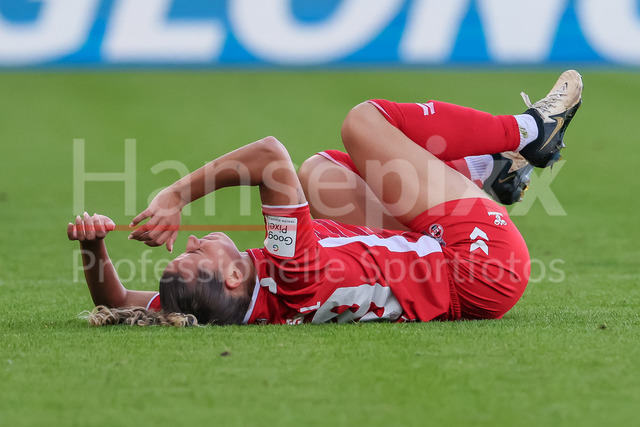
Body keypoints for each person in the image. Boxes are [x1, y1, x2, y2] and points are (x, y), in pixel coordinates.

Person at [69, 70, 583, 326]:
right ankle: (530, 131)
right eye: (197, 254)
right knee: (365, 122)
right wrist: (176, 195)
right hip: (481, 263)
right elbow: (268, 156)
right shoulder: (290, 268)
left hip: (453, 273)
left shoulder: (226, 304)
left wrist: (94, 247)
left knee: (321, 174)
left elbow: (119, 303)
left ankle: (486, 173)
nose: (194, 241)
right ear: (232, 277)